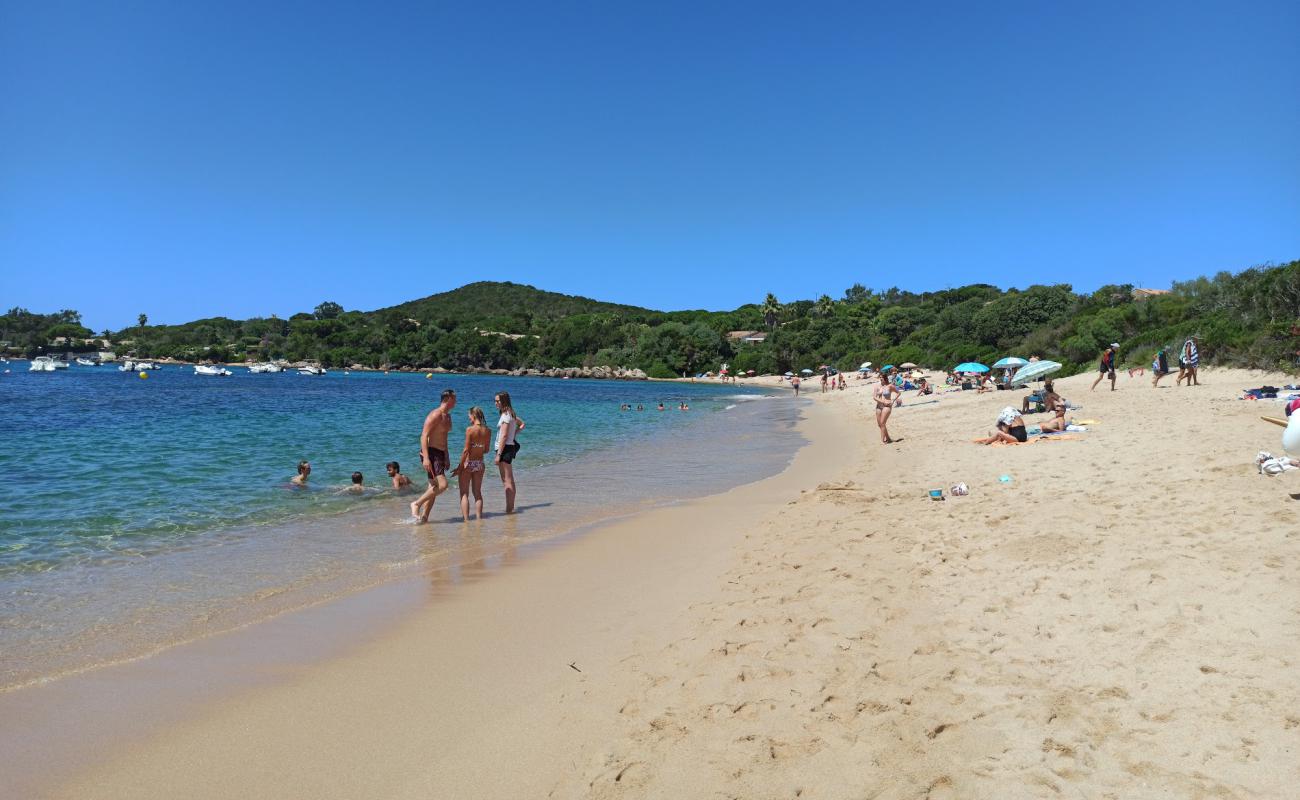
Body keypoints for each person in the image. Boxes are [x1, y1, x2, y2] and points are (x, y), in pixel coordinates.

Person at [411, 388, 456, 523]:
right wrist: (426, 457)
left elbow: (444, 437)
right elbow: (424, 436)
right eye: (454, 399)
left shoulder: (448, 416)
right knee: (442, 485)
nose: (456, 402)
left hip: (440, 453)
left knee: (433, 487)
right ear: (447, 399)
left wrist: (446, 456)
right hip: (431, 452)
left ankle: (424, 518)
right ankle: (416, 504)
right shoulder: (435, 414)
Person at [453, 406, 492, 521]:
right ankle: (479, 519)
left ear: (473, 416)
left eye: (469, 416)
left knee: (464, 493)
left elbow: (466, 450)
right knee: (477, 493)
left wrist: (460, 467)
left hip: (468, 463)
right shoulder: (488, 431)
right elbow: (486, 450)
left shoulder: (470, 430)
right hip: (480, 463)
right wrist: (478, 446)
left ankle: (466, 520)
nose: (469, 419)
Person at [495, 391, 524, 514]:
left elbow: (504, 435)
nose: (495, 403)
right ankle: (510, 507)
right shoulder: (510, 414)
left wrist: (499, 454)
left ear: (504, 401)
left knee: (506, 480)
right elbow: (522, 424)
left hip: (504, 448)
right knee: (509, 479)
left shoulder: (506, 416)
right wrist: (514, 434)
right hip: (508, 446)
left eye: (497, 401)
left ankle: (509, 509)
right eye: (495, 401)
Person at [873, 373, 899, 444]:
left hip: (887, 406)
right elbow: (874, 397)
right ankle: (888, 439)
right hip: (879, 406)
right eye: (880, 377)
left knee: (882, 423)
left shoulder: (889, 386)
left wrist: (893, 400)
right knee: (880, 425)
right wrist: (881, 401)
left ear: (885, 378)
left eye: (882, 377)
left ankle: (882, 440)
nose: (881, 378)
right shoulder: (877, 386)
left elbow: (898, 393)